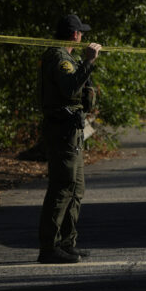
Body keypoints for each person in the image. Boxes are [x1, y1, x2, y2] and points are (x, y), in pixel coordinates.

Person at [37, 14, 101, 264]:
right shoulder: (60, 58)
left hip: (71, 130)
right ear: (75, 35)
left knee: (76, 188)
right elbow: (70, 88)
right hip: (62, 129)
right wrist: (89, 62)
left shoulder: (65, 57)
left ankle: (66, 242)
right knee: (62, 187)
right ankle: (49, 246)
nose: (83, 36)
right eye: (81, 32)